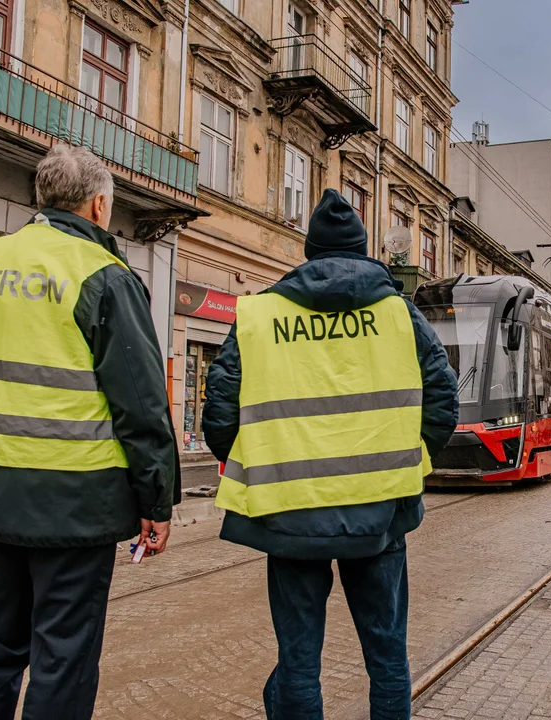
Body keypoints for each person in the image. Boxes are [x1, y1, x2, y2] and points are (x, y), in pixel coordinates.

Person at [0, 144, 180, 720]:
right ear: (99, 204)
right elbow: (140, 406)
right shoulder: (104, 275)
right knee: (63, 657)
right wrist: (155, 501)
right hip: (74, 503)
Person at [203, 189, 458, 720]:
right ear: (365, 250)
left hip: (290, 511)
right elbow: (443, 403)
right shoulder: (400, 315)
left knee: (298, 662)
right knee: (387, 656)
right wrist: (404, 460)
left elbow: (220, 415)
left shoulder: (260, 315)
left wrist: (269, 459)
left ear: (309, 250)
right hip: (381, 512)